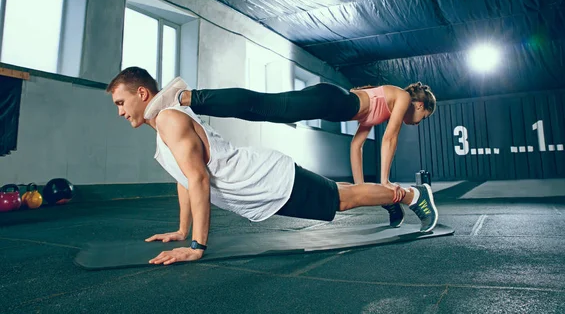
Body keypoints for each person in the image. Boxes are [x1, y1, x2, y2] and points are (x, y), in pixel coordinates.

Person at [107, 67, 438, 266]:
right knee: (341, 193)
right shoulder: (163, 129)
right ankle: (401, 196)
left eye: (122, 103)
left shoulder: (168, 119)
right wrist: (181, 230)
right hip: (265, 179)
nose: (120, 112)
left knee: (341, 199)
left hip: (267, 179)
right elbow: (185, 178)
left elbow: (198, 181)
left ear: (141, 92)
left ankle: (410, 196)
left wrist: (197, 246)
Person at [143, 77, 437, 228]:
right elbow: (390, 139)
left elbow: (357, 145)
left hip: (330, 101)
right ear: (420, 106)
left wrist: (368, 186)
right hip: (331, 100)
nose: (417, 122)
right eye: (422, 118)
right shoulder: (400, 96)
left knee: (262, 109)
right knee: (265, 106)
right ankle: (185, 97)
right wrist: (385, 180)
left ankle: (188, 98)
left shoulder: (381, 107)